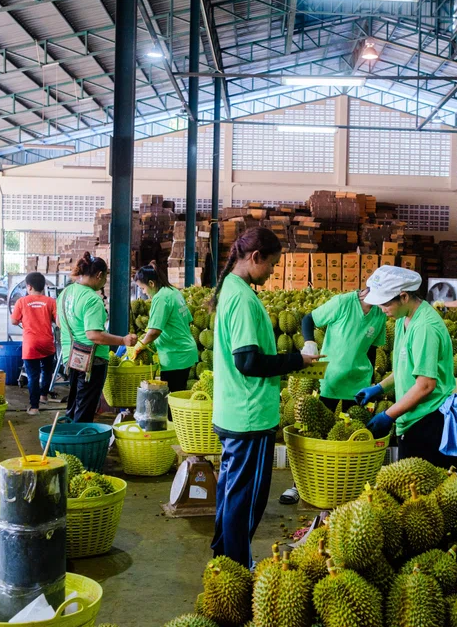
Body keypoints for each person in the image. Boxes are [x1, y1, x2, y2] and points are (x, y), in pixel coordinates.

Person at [209, 227, 321, 568]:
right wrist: (296, 360)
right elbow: (247, 361)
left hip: (232, 411)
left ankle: (223, 561)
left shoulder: (231, 288)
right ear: (255, 257)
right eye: (271, 264)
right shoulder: (243, 299)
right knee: (246, 501)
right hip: (250, 416)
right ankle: (238, 567)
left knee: (231, 493)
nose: (272, 271)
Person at [278, 286, 387, 504]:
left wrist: (371, 379)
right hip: (329, 380)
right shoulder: (343, 303)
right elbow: (308, 319)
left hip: (358, 385)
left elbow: (372, 348)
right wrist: (310, 342)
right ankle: (298, 485)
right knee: (313, 433)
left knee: (352, 438)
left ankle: (343, 487)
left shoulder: (380, 313)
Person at [355, 266, 457, 469]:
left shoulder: (425, 328)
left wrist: (388, 415)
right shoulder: (403, 319)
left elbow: (426, 385)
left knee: (425, 484)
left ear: (403, 297)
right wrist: (379, 388)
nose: (382, 309)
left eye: (385, 303)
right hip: (412, 416)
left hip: (431, 421)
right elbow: (405, 367)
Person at [58, 252, 137, 423]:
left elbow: (59, 323)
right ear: (99, 275)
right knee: (85, 410)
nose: (104, 282)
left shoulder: (65, 293)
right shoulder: (92, 299)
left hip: (70, 357)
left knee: (74, 405)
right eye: (105, 277)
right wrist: (123, 340)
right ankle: (80, 438)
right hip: (91, 362)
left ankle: (68, 434)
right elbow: (93, 335)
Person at [131, 262, 198, 395]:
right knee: (178, 395)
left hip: (174, 355)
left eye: (143, 288)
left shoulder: (161, 298)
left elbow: (155, 331)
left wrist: (141, 344)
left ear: (151, 283)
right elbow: (187, 319)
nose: (143, 292)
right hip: (185, 351)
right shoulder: (173, 292)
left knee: (170, 399)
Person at [11, 272, 57, 415]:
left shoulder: (21, 302)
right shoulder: (50, 302)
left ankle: (34, 407)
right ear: (43, 286)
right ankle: (44, 396)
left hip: (30, 344)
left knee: (33, 376)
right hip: (47, 343)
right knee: (47, 371)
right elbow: (57, 321)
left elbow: (14, 321)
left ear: (29, 287)